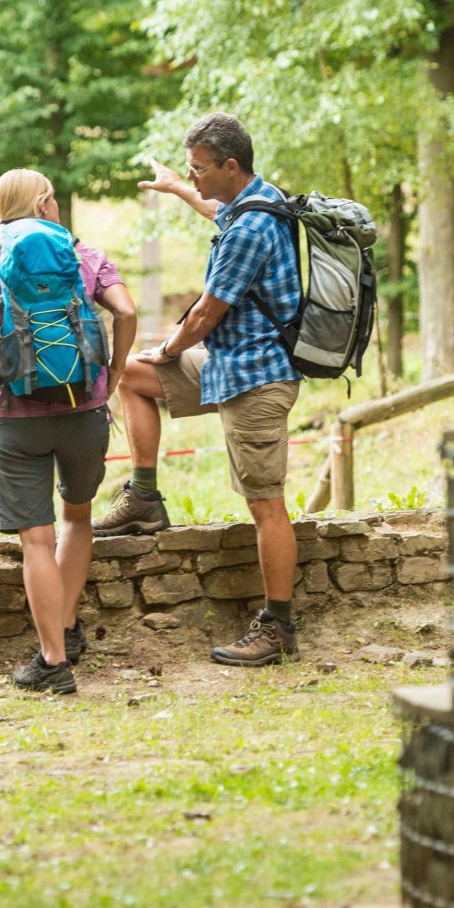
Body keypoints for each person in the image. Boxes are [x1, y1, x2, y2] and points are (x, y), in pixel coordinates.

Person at [92, 113, 304, 667]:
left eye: (199, 168)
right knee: (130, 375)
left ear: (231, 166)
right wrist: (178, 188)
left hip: (257, 377)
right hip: (229, 363)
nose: (194, 175)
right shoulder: (258, 200)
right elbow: (216, 209)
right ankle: (144, 498)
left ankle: (278, 627)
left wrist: (168, 348)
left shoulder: (251, 230)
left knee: (265, 504)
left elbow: (207, 312)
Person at [0, 168, 138, 693]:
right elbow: (126, 311)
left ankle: (54, 662)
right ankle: (66, 625)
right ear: (42, 203)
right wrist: (114, 374)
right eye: (53, 198)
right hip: (84, 410)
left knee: (36, 540)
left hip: (15, 420)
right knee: (76, 518)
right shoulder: (86, 257)